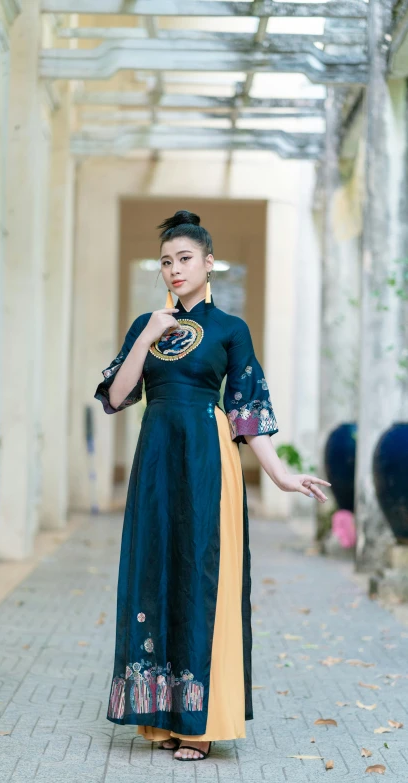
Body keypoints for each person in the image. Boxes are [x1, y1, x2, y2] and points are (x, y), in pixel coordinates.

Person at [94, 210, 330, 761]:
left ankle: (200, 722)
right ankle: (160, 718)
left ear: (208, 263)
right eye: (166, 262)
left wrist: (281, 475)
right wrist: (147, 334)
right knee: (154, 571)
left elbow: (246, 411)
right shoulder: (146, 325)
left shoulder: (229, 330)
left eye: (184, 259)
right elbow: (115, 396)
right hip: (154, 457)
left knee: (202, 575)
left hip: (207, 456)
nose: (173, 270)